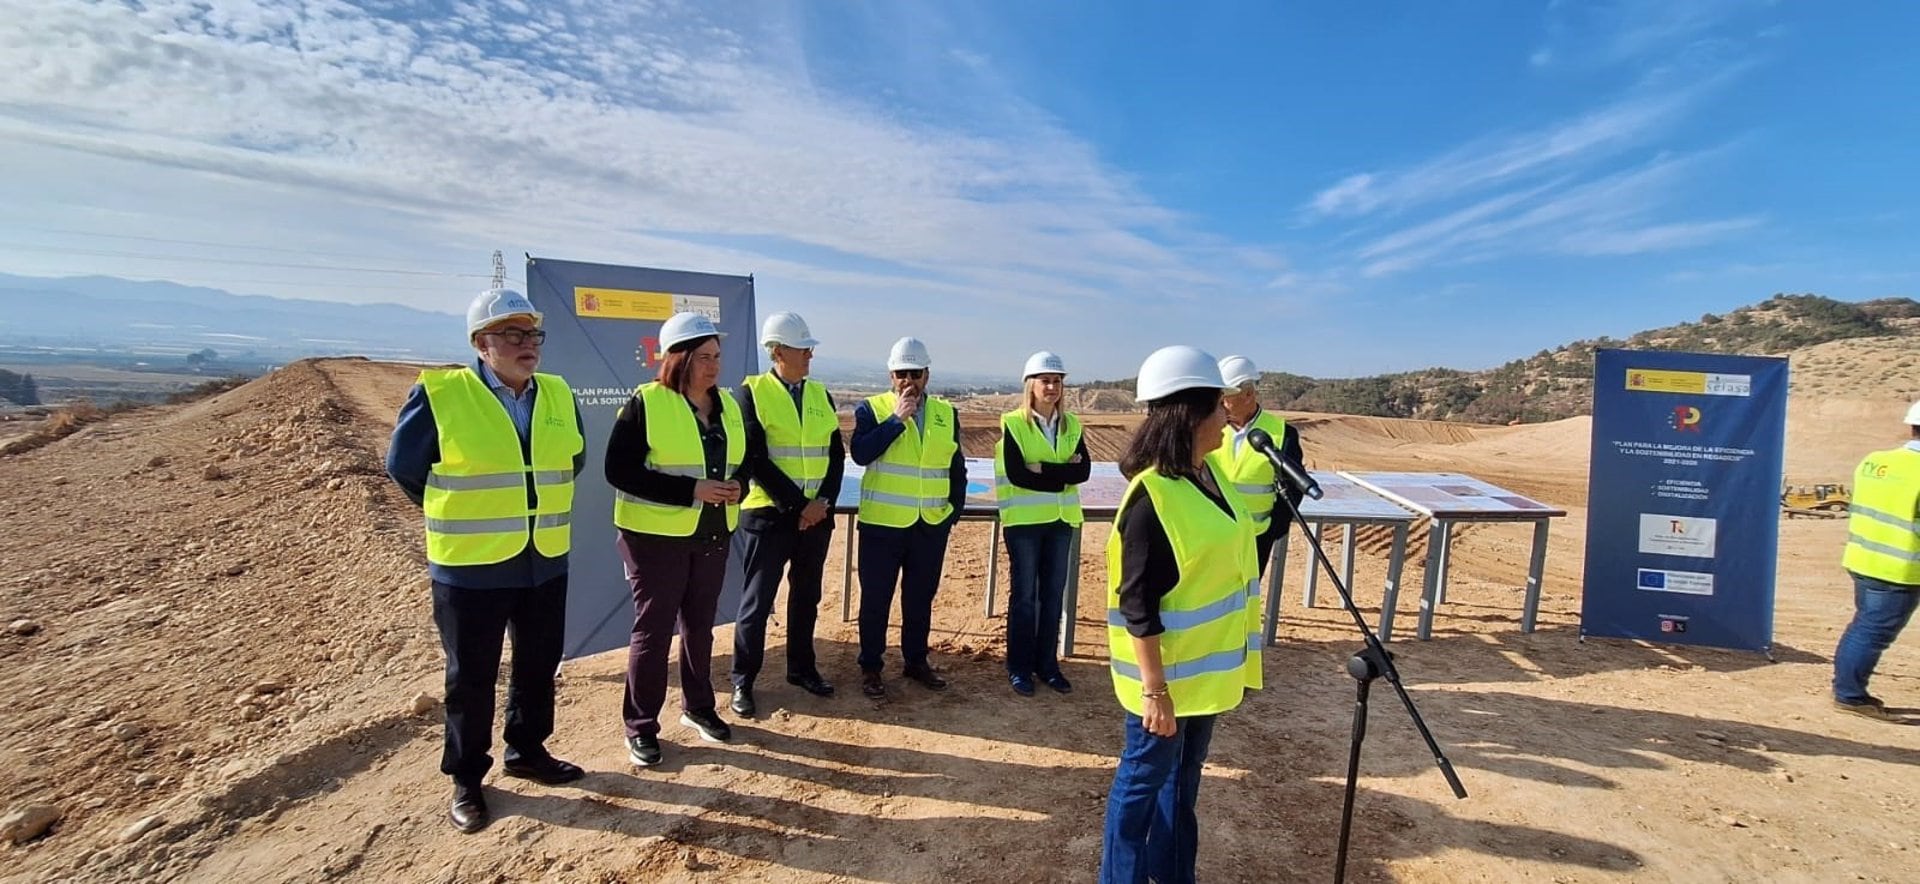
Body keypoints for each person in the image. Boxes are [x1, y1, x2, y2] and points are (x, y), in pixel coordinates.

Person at [385, 288, 588, 834]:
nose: (528, 346)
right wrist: (465, 515)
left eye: (533, 336)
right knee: (471, 676)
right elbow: (405, 468)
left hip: (542, 558)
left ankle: (527, 750)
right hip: (471, 566)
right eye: (513, 336)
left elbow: (573, 460)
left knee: (537, 665)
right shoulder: (442, 394)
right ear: (481, 343)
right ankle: (468, 779)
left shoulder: (557, 394)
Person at [1101, 345, 1262, 884]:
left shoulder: (1210, 472)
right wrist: (1154, 691)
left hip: (1206, 676)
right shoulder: (1152, 498)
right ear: (1191, 414)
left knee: (1182, 784)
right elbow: (1137, 607)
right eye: (1219, 405)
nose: (1227, 415)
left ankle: (1173, 874)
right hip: (1166, 683)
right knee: (1143, 784)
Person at [605, 312, 745, 767]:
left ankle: (699, 707)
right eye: (704, 357)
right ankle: (641, 726)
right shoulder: (646, 403)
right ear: (677, 358)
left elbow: (743, 460)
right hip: (654, 538)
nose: (713, 366)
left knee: (701, 627)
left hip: (712, 532)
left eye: (717, 357)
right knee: (653, 630)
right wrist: (692, 491)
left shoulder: (727, 407)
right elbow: (619, 471)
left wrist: (738, 483)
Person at [728, 311, 846, 718]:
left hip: (815, 519)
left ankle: (801, 668)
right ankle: (743, 679)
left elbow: (835, 455)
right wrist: (800, 507)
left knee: (807, 597)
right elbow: (755, 459)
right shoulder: (750, 394)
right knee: (757, 603)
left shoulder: (820, 395)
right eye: (803, 347)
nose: (810, 353)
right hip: (769, 516)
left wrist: (821, 506)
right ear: (777, 350)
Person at [850, 336, 966, 699]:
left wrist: (952, 513)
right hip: (883, 526)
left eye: (915, 373)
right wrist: (897, 420)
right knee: (876, 599)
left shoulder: (947, 414)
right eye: (901, 374)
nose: (908, 381)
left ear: (927, 375)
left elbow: (955, 468)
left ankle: (916, 661)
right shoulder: (872, 409)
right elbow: (861, 453)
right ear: (890, 375)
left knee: (920, 598)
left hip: (929, 526)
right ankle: (871, 666)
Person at [994, 350, 1091, 696]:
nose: (1052, 387)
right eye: (1045, 380)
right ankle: (1019, 667)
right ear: (1030, 385)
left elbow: (1084, 471)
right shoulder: (1013, 424)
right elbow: (1019, 475)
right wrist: (1064, 473)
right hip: (1024, 524)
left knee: (1052, 596)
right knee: (1025, 597)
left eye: (1057, 381)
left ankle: (1047, 666)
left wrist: (1046, 470)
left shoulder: (1072, 424)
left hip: (1061, 522)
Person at [1832, 400, 1920, 722]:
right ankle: (1850, 695)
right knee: (1872, 631)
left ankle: (1848, 690)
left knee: (1863, 626)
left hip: (1863, 559)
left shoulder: (1875, 461)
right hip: (1900, 569)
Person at [1215, 355, 1305, 577]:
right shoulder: (1208, 428)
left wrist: (1274, 529)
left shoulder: (1281, 433)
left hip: (1256, 538)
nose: (1220, 404)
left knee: (1246, 598)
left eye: (1225, 397)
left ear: (1248, 394)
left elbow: (1293, 488)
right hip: (1212, 534)